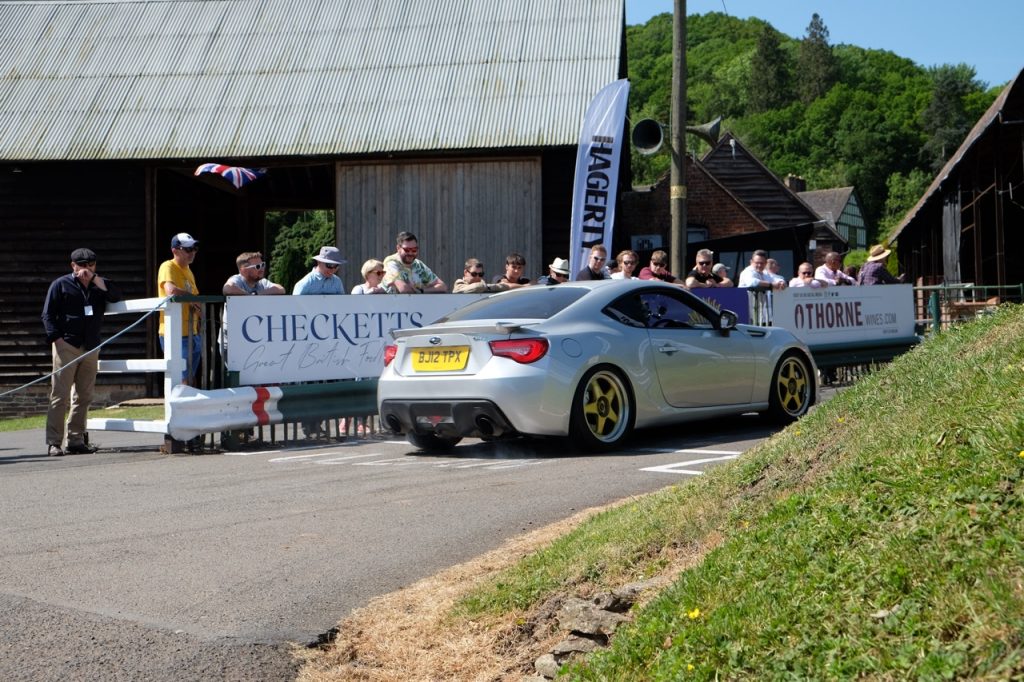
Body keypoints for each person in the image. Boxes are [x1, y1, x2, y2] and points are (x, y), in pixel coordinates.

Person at [41, 247, 122, 456]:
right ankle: (54, 442)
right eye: (82, 265)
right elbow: (47, 315)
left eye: (91, 265)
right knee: (60, 395)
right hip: (66, 344)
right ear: (73, 266)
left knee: (84, 395)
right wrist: (57, 341)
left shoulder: (98, 285)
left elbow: (115, 295)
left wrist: (95, 279)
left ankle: (75, 440)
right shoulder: (60, 284)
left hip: (91, 345)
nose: (86, 269)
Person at [221, 252, 285, 361]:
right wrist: (250, 297)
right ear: (243, 270)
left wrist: (257, 295)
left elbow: (281, 289)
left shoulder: (262, 282)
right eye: (258, 266)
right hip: (234, 342)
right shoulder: (236, 279)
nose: (262, 269)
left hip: (256, 341)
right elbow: (227, 289)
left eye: (263, 265)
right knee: (237, 377)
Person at [158, 232, 202, 384]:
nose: (193, 252)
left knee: (189, 378)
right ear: (175, 250)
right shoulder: (167, 266)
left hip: (193, 333)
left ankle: (191, 406)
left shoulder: (189, 271)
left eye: (194, 248)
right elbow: (171, 290)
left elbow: (196, 302)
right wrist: (192, 300)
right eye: (188, 249)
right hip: (175, 333)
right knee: (182, 379)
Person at [382, 231, 448, 293]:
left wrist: (422, 290)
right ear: (398, 248)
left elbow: (442, 286)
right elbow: (403, 289)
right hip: (393, 304)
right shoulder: (391, 262)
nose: (410, 253)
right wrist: (420, 291)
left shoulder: (419, 265)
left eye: (414, 250)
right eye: (407, 250)